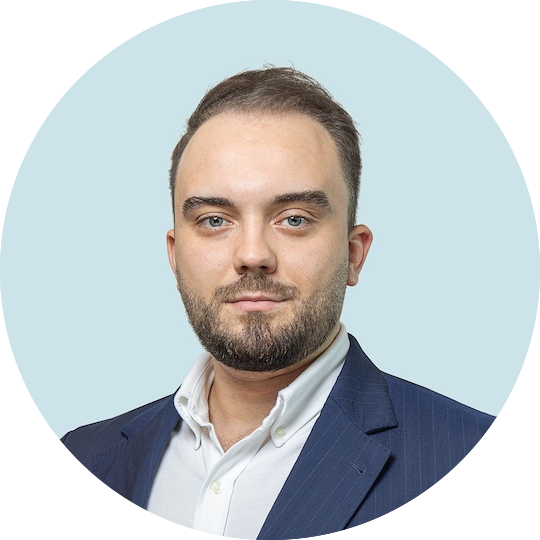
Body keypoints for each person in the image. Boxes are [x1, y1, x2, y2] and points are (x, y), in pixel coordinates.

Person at [61, 66, 495, 538]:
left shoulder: (460, 451)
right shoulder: (87, 456)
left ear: (353, 254)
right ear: (175, 255)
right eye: (213, 220)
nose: (252, 255)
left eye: (293, 219)